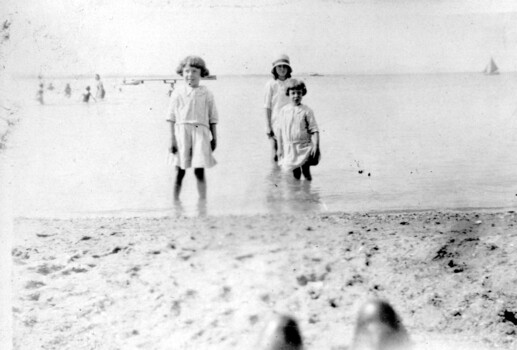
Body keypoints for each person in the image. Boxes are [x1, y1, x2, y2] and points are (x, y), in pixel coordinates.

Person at [167, 55, 218, 201]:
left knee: (199, 170)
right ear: (182, 73)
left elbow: (213, 118)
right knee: (180, 171)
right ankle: (175, 202)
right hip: (181, 133)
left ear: (201, 73)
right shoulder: (177, 92)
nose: (190, 75)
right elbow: (170, 118)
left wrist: (214, 138)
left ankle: (203, 202)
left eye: (195, 71)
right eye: (187, 71)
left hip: (201, 133)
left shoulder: (207, 93)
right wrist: (172, 140)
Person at [276, 79, 320, 181]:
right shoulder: (283, 111)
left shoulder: (307, 111)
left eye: (299, 93)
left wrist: (316, 146)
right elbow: (279, 130)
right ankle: (297, 193)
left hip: (303, 146)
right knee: (295, 172)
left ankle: (308, 191)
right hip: (289, 147)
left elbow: (314, 130)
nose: (296, 96)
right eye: (293, 93)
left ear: (303, 94)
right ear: (288, 94)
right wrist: (279, 148)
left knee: (306, 171)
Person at [264, 54, 293, 163]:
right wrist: (268, 126)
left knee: (289, 151)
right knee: (275, 152)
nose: (282, 69)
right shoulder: (271, 84)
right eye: (279, 66)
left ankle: (288, 177)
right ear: (275, 69)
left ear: (288, 68)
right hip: (275, 121)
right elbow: (267, 106)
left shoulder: (292, 83)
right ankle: (274, 178)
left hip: (290, 121)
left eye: (284, 66)